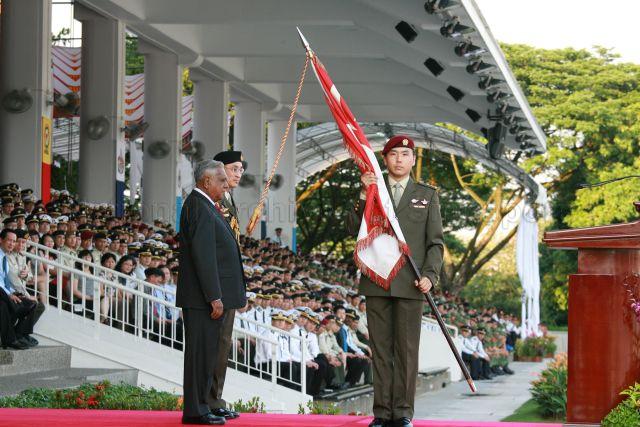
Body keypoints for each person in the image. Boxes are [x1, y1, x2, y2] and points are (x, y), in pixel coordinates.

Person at [353, 135, 444, 427]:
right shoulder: (373, 191)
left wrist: (430, 276)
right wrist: (363, 196)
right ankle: (381, 412)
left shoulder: (427, 195)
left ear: (413, 160)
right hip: (377, 281)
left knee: (406, 352)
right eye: (394, 154)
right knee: (380, 350)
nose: (399, 159)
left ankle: (403, 412)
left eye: (405, 154)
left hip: (411, 283)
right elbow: (351, 230)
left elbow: (435, 243)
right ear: (385, 159)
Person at [177, 159, 246, 425]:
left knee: (207, 354)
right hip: (202, 299)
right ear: (207, 181)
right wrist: (214, 296)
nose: (226, 183)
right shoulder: (199, 206)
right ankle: (195, 410)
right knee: (200, 356)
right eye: (221, 180)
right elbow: (204, 257)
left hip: (206, 296)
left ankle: (203, 405)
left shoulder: (206, 205)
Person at [210, 149, 245, 414]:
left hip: (229, 282)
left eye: (240, 169)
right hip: (218, 284)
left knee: (223, 344)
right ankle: (209, 400)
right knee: (216, 343)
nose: (238, 174)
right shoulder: (214, 200)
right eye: (234, 168)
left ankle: (216, 398)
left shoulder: (229, 199)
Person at [0, 229, 38, 349]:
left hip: (4, 291)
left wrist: (12, 293)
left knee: (29, 304)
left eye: (13, 241)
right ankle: (11, 339)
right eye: (9, 240)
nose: (12, 243)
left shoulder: (4, 258)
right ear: (1, 240)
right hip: (1, 292)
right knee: (5, 305)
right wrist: (10, 294)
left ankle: (18, 335)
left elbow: (4, 281)